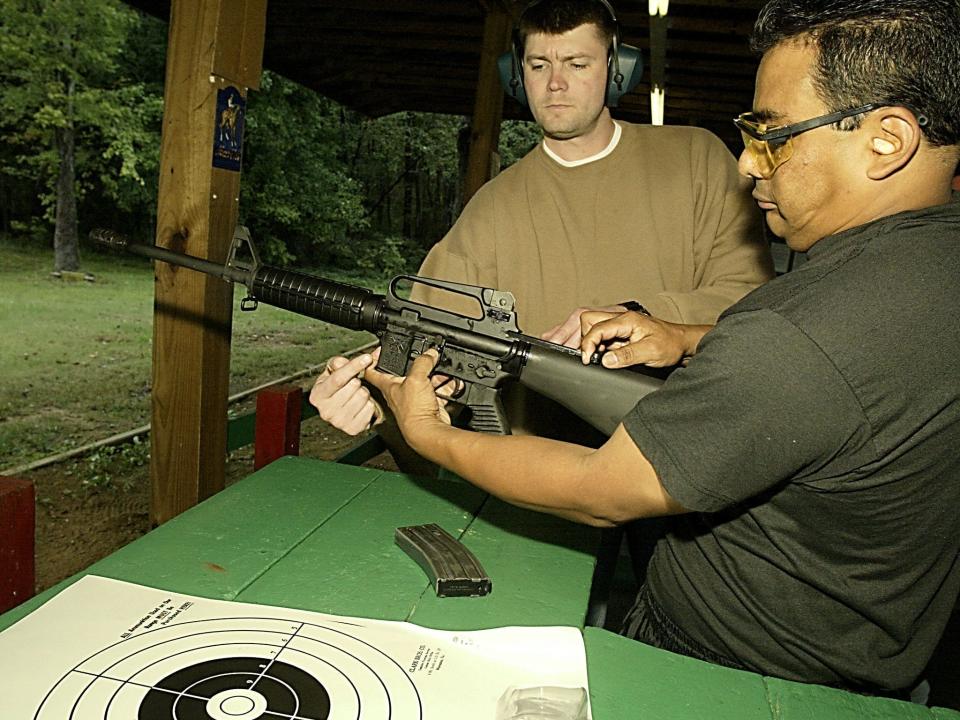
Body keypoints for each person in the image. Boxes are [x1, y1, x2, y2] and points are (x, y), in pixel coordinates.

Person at [360, 0, 960, 696]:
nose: (747, 164)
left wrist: (428, 433)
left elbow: (601, 492)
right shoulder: (930, 265)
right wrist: (687, 337)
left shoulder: (798, 329)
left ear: (888, 140)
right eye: (538, 65)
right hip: (861, 653)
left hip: (723, 668)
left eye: (772, 136)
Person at [310, 0, 773, 439]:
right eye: (538, 65)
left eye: (577, 63)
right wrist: (370, 396)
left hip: (685, 449)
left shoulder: (697, 159)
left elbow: (755, 304)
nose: (555, 83)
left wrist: (649, 319)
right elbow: (432, 339)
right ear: (517, 76)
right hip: (538, 474)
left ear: (616, 69)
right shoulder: (490, 208)